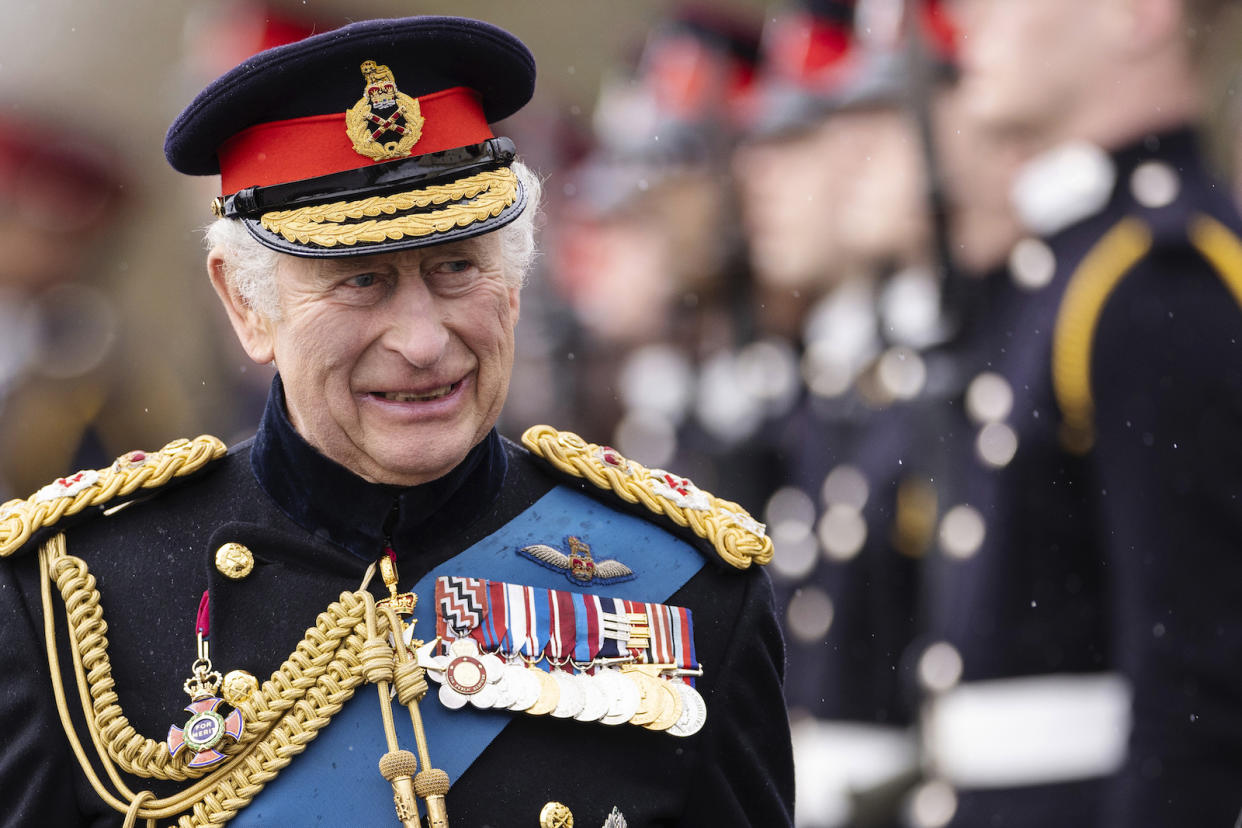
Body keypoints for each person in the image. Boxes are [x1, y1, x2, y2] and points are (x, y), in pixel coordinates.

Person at [0, 16, 794, 828]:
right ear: (246, 305)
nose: (422, 343)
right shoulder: (69, 599)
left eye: (456, 268)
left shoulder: (696, 587)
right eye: (360, 282)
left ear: (515, 283)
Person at [909, 1, 1242, 826]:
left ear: (1141, 14)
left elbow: (1196, 688)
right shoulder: (1075, 266)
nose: (965, 22)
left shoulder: (1157, 277)